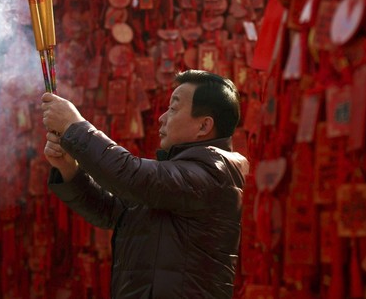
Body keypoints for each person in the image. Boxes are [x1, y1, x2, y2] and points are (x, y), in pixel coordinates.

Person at [41, 69, 248, 299]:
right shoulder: (174, 180)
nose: (162, 117)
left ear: (203, 126)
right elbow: (111, 210)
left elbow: (130, 175)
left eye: (173, 108)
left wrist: (74, 126)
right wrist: (70, 169)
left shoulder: (213, 172)